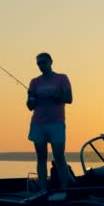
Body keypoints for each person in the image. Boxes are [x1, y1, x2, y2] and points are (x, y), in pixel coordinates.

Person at [26, 52, 73, 190]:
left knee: (59, 156)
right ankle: (43, 189)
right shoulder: (34, 82)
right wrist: (32, 99)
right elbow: (29, 106)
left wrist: (54, 96)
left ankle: (64, 189)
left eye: (44, 62)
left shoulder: (62, 78)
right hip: (38, 124)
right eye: (39, 63)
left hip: (56, 123)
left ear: (51, 62)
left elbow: (69, 98)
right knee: (41, 158)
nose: (41, 65)